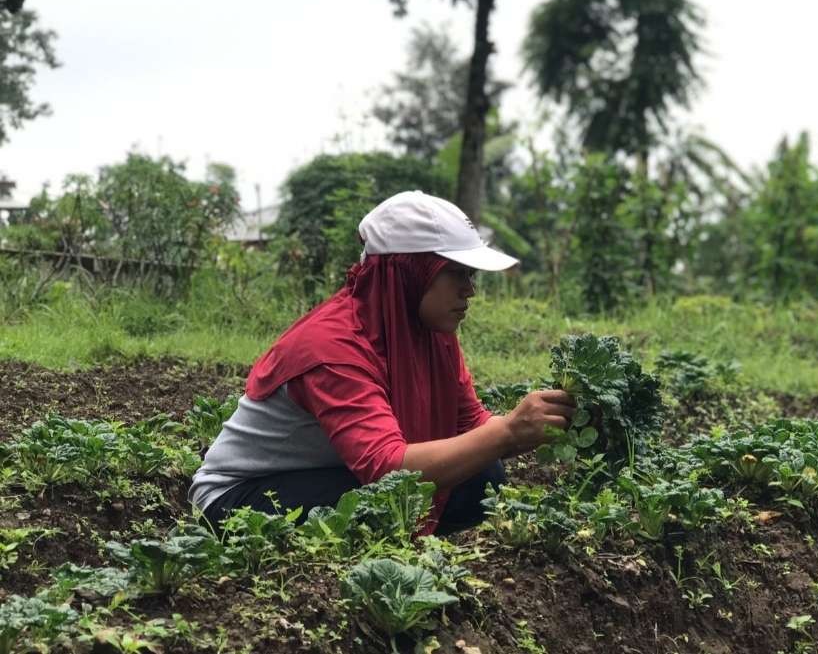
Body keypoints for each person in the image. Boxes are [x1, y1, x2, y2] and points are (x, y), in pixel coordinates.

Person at [188, 190, 576, 535]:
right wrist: (508, 431)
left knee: (483, 476)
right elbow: (387, 469)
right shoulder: (332, 348)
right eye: (456, 273)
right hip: (237, 497)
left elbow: (471, 424)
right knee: (385, 504)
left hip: (328, 474)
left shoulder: (429, 334)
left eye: (470, 274)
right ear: (409, 273)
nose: (470, 289)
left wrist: (540, 426)